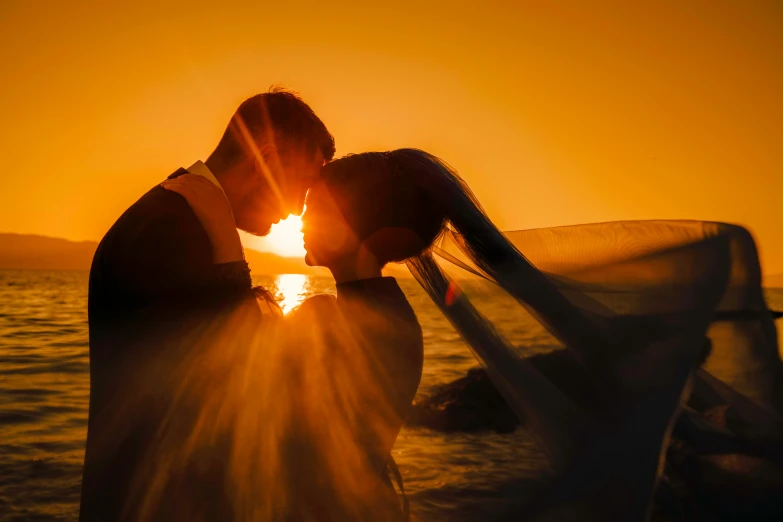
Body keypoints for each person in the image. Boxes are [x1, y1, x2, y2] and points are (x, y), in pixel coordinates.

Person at [173, 148, 735, 521]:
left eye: (319, 208)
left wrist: (209, 219)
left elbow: (229, 384)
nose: (302, 217)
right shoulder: (394, 318)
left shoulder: (330, 319)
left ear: (376, 230)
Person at [80, 88, 335, 522]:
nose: (297, 210)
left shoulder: (179, 215)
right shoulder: (172, 230)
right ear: (266, 157)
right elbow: (242, 384)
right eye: (302, 185)